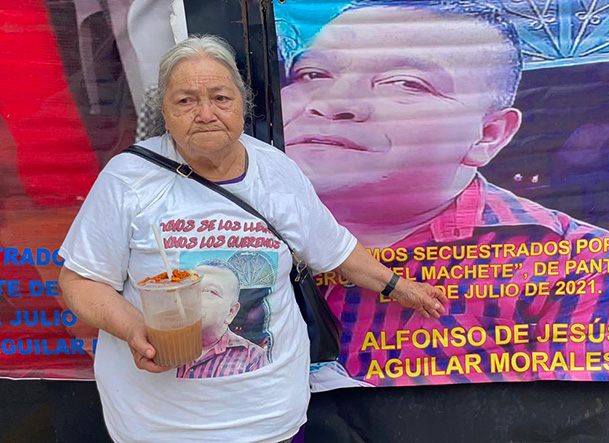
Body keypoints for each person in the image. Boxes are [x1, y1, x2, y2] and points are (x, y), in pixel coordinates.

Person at [58, 35, 447, 442]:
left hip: (270, 418)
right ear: (165, 112)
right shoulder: (129, 179)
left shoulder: (276, 171)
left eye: (220, 98)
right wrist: (132, 328)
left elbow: (334, 249)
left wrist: (399, 286)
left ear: (242, 104)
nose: (205, 113)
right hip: (160, 427)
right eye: (186, 101)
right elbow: (80, 280)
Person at [280, 1, 609, 388]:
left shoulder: (593, 271)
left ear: (489, 135)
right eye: (312, 75)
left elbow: (588, 420)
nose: (332, 104)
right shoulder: (251, 234)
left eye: (406, 83)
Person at [176, 262, 269, 379]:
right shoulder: (167, 345)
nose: (194, 297)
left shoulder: (252, 357)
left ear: (231, 312)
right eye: (191, 288)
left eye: (210, 291)